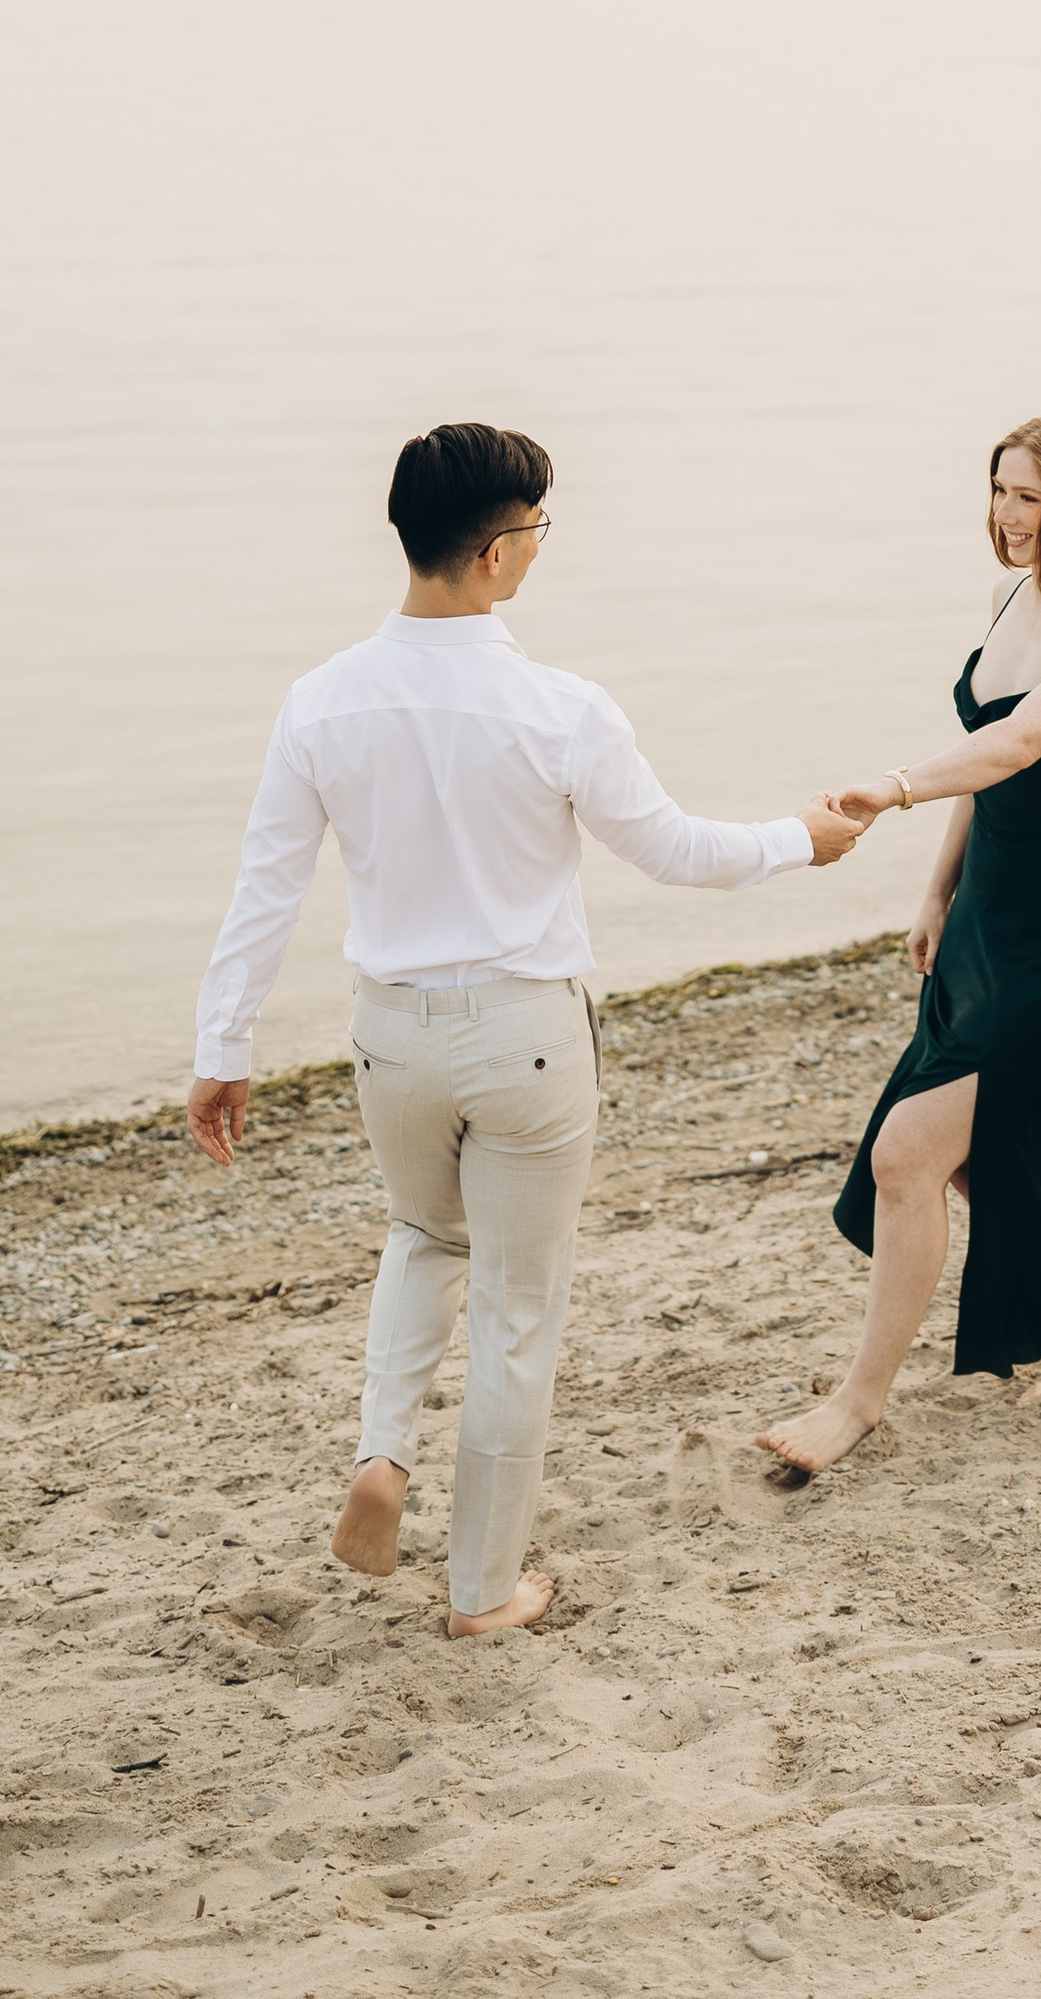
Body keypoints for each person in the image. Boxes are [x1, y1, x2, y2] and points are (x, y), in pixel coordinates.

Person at [186, 420, 867, 1635]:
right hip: (525, 1039)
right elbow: (674, 851)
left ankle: (382, 1452)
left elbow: (266, 889)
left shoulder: (321, 701)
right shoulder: (559, 706)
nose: (542, 547)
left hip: (390, 1036)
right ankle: (483, 1593)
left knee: (420, 1235)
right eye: (539, 529)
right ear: (497, 551)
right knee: (514, 1308)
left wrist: (221, 1049)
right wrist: (798, 840)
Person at [756, 411, 1041, 1480]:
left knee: (909, 1152)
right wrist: (938, 892)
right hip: (988, 913)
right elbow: (987, 756)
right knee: (1001, 1151)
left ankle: (858, 1404)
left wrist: (894, 789)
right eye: (999, 490)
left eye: (1028, 497)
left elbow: (1024, 738)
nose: (1005, 515)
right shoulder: (1016, 596)